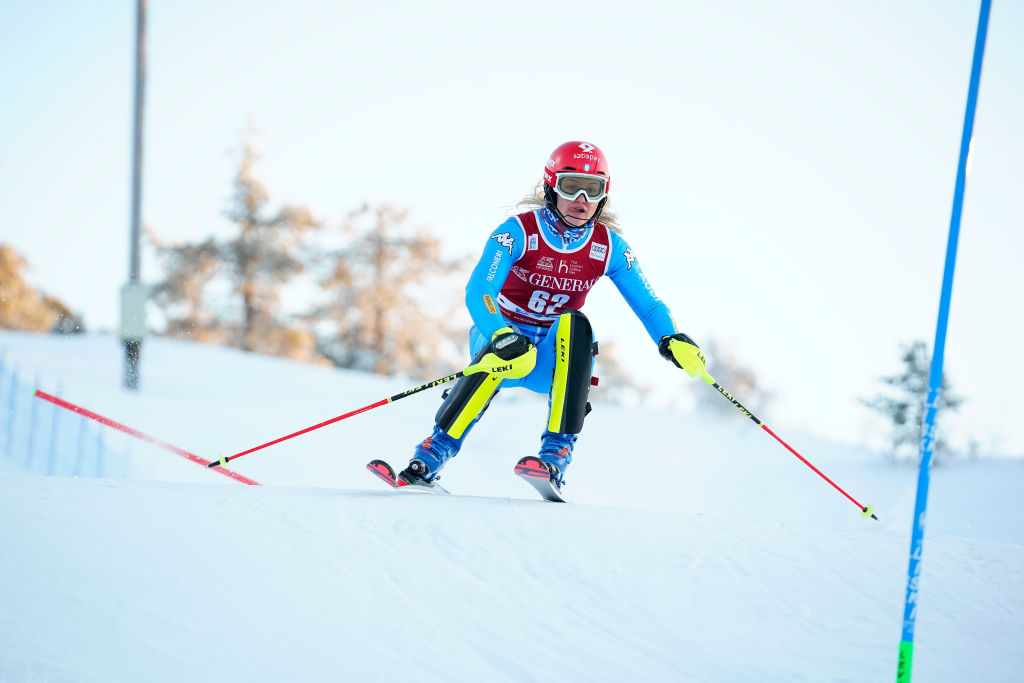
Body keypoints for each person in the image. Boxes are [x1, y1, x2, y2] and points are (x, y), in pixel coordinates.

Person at [398, 140, 714, 493]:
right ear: (551, 187)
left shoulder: (609, 247)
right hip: (504, 344)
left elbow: (650, 304)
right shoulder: (518, 231)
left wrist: (670, 337)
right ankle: (429, 458)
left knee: (577, 326)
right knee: (494, 346)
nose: (581, 198)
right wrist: (501, 334)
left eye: (592, 189)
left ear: (603, 195)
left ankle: (554, 459)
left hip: (554, 356)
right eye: (570, 186)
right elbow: (479, 291)